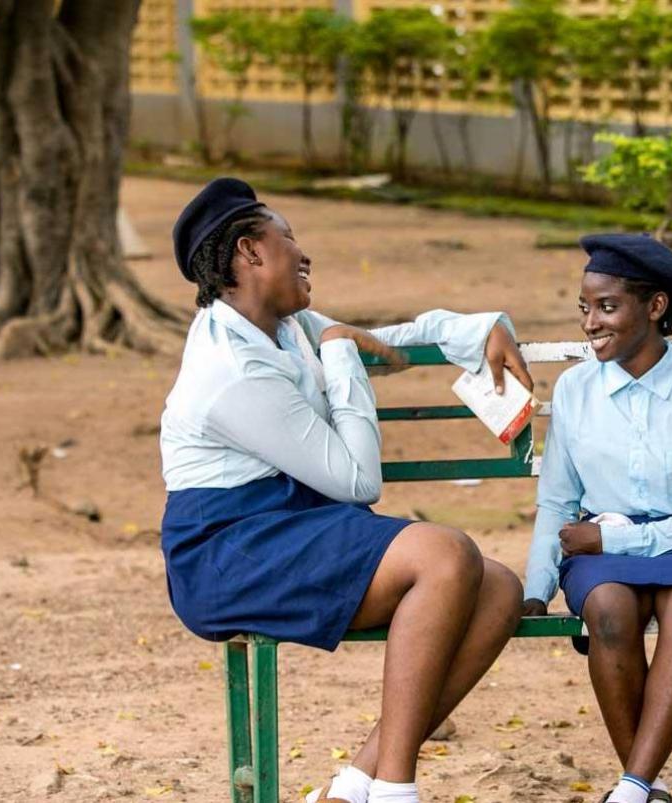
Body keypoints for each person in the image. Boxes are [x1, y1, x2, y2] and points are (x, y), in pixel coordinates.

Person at [159, 178, 535, 803]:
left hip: (293, 523)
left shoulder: (286, 327)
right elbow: (359, 482)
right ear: (250, 253)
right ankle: (394, 789)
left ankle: (356, 782)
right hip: (229, 547)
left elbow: (389, 344)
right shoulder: (229, 370)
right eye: (288, 238)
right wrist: (339, 354)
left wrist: (482, 329)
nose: (303, 253)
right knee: (444, 555)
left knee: (497, 590)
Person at [522, 234, 672, 803]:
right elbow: (557, 499)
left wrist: (626, 538)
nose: (590, 323)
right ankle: (651, 784)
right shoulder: (576, 390)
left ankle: (632, 788)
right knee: (610, 609)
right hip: (601, 550)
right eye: (585, 309)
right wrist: (536, 588)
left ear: (656, 307)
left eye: (607, 307)